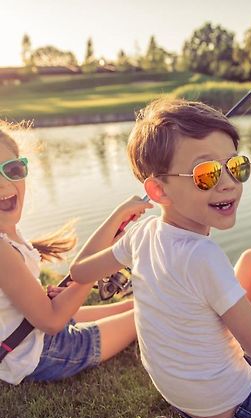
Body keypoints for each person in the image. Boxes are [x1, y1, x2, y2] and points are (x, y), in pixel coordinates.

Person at [70, 98, 251, 418]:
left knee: (247, 258)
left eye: (235, 166)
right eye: (207, 174)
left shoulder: (141, 233)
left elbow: (79, 272)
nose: (229, 182)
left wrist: (117, 217)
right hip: (241, 410)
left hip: (182, 401)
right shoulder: (202, 256)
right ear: (159, 190)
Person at [0, 121, 144, 385]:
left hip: (31, 332)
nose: (3, 183)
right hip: (40, 355)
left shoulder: (8, 231)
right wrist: (93, 272)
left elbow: (64, 288)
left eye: (11, 170)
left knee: (136, 304)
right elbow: (53, 320)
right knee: (147, 315)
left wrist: (116, 218)